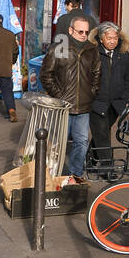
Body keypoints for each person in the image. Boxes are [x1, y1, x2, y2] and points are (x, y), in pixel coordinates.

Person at [40, 15, 101, 182]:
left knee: (81, 142)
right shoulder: (58, 48)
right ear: (70, 31)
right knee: (57, 144)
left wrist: (92, 92)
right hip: (63, 106)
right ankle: (52, 175)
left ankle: (75, 174)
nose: (83, 35)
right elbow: (46, 75)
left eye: (86, 32)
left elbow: (97, 73)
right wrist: (59, 96)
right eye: (80, 31)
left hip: (83, 106)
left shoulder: (92, 49)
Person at [87, 22, 129, 175]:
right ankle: (107, 169)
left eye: (115, 38)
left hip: (116, 103)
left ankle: (90, 160)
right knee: (102, 134)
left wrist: (126, 98)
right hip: (97, 102)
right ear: (101, 39)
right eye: (109, 38)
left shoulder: (123, 52)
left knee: (102, 132)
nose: (113, 41)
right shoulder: (92, 52)